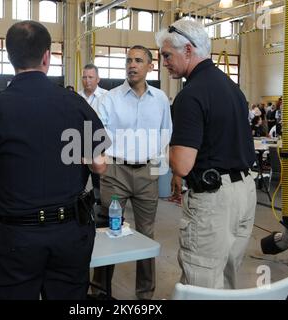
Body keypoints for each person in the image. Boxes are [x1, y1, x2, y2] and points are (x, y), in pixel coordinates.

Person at [0, 20, 108, 300]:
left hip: (15, 238)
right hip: (69, 234)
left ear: (11, 58)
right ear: (47, 57)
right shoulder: (76, 104)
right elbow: (99, 165)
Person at [156, 19, 256, 289]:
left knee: (201, 283)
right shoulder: (232, 88)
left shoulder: (191, 95)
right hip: (244, 193)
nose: (163, 63)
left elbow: (183, 165)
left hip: (215, 202)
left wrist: (164, 145)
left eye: (167, 55)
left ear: (188, 50)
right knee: (227, 276)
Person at [94, 45, 172, 300]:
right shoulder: (111, 97)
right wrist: (101, 161)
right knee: (109, 230)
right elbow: (95, 131)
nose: (132, 65)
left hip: (147, 173)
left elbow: (166, 132)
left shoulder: (160, 98)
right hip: (116, 172)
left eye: (138, 60)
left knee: (146, 233)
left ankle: (145, 295)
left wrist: (157, 166)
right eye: (128, 60)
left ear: (151, 66)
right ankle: (100, 292)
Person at [78, 64, 108, 206]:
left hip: (99, 149)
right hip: (79, 149)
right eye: (84, 77)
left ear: (98, 79)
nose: (87, 80)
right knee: (78, 184)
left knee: (100, 185)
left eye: (91, 77)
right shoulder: (75, 98)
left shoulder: (107, 97)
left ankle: (101, 212)